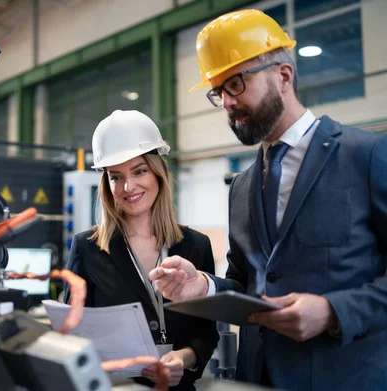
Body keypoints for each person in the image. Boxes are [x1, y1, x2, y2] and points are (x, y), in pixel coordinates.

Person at [149, 9, 387, 391]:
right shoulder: (242, 187)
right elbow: (249, 285)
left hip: (344, 376)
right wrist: (205, 286)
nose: (226, 102)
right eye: (219, 92)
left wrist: (333, 312)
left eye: (236, 84)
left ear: (284, 75)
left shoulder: (366, 156)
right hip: (256, 379)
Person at [64, 110, 218, 390]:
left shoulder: (196, 246)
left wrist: (183, 359)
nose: (128, 186)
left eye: (139, 171)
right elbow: (69, 333)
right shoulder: (87, 249)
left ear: (158, 172)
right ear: (106, 184)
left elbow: (206, 332)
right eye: (116, 176)